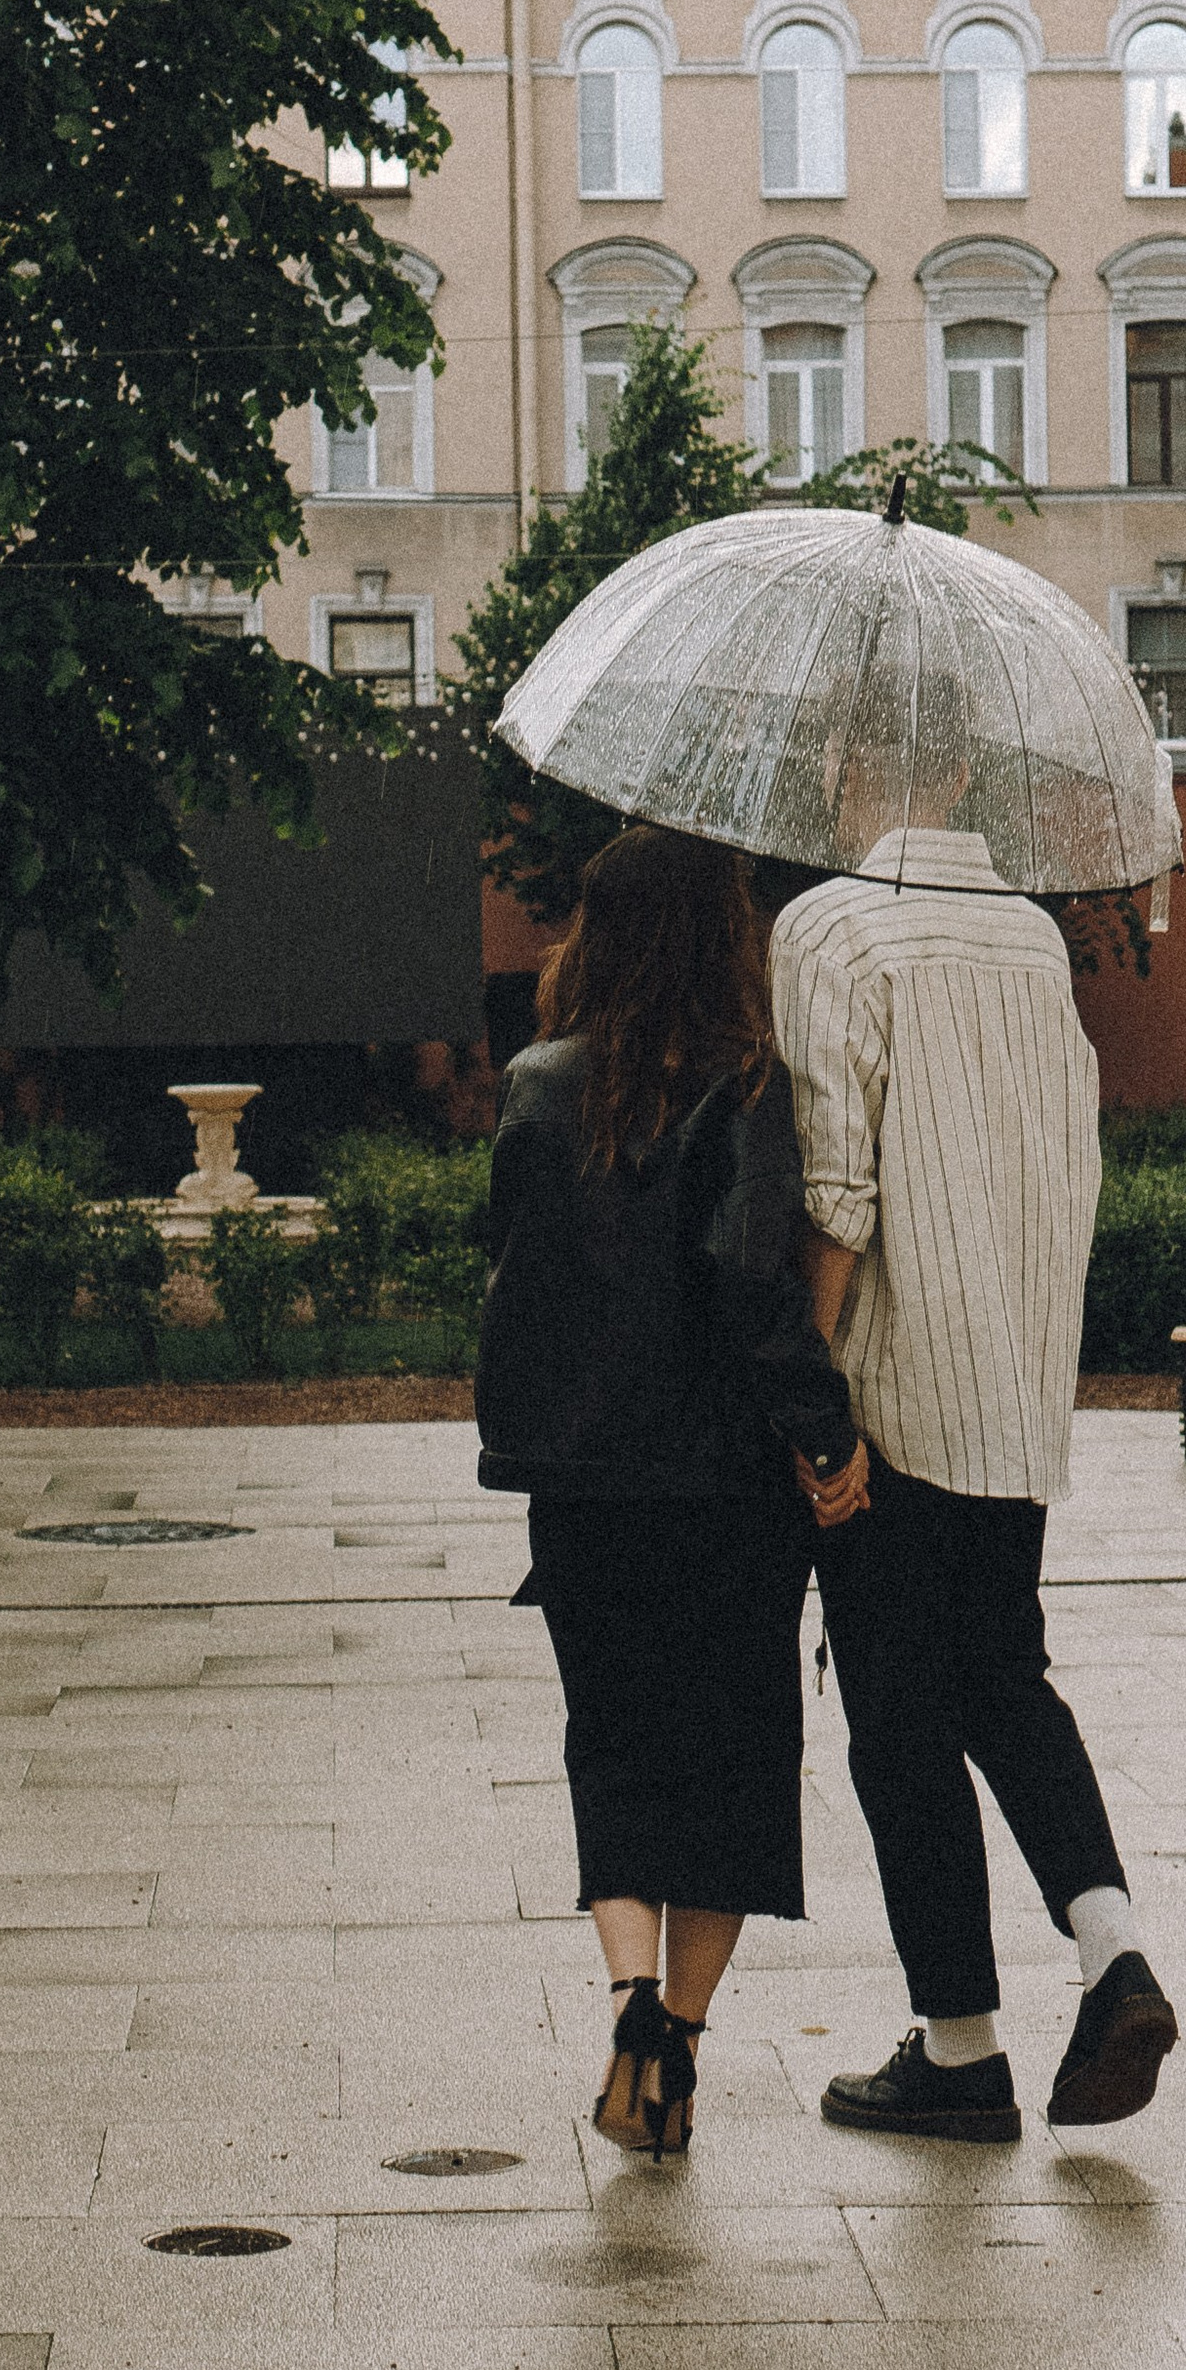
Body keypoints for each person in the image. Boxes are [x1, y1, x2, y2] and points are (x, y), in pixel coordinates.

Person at [769, 805, 1178, 2140]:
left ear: (857, 772)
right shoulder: (1030, 938)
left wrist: (802, 1383)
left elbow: (834, 1188)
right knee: (1003, 1674)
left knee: (895, 1716)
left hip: (889, 1395)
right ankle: (1112, 1947)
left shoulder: (829, 928)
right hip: (1011, 1388)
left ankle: (960, 2051)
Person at [476, 823, 869, 2159]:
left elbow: (515, 1281)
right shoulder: (745, 1088)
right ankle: (680, 2040)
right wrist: (825, 1438)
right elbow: (756, 1285)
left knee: (615, 1744)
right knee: (737, 1762)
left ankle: (629, 1994)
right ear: (722, 945)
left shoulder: (535, 1086)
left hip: (583, 1487)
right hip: (723, 1491)